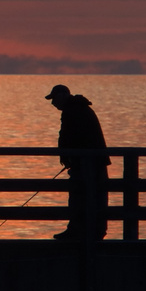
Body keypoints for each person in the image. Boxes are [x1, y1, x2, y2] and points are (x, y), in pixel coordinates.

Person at [46, 84, 110, 240]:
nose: (53, 103)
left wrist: (68, 156)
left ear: (62, 96)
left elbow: (70, 137)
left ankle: (78, 230)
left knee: (79, 195)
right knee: (95, 196)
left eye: (54, 99)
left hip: (86, 163)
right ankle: (94, 231)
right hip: (92, 161)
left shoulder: (72, 111)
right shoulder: (79, 108)